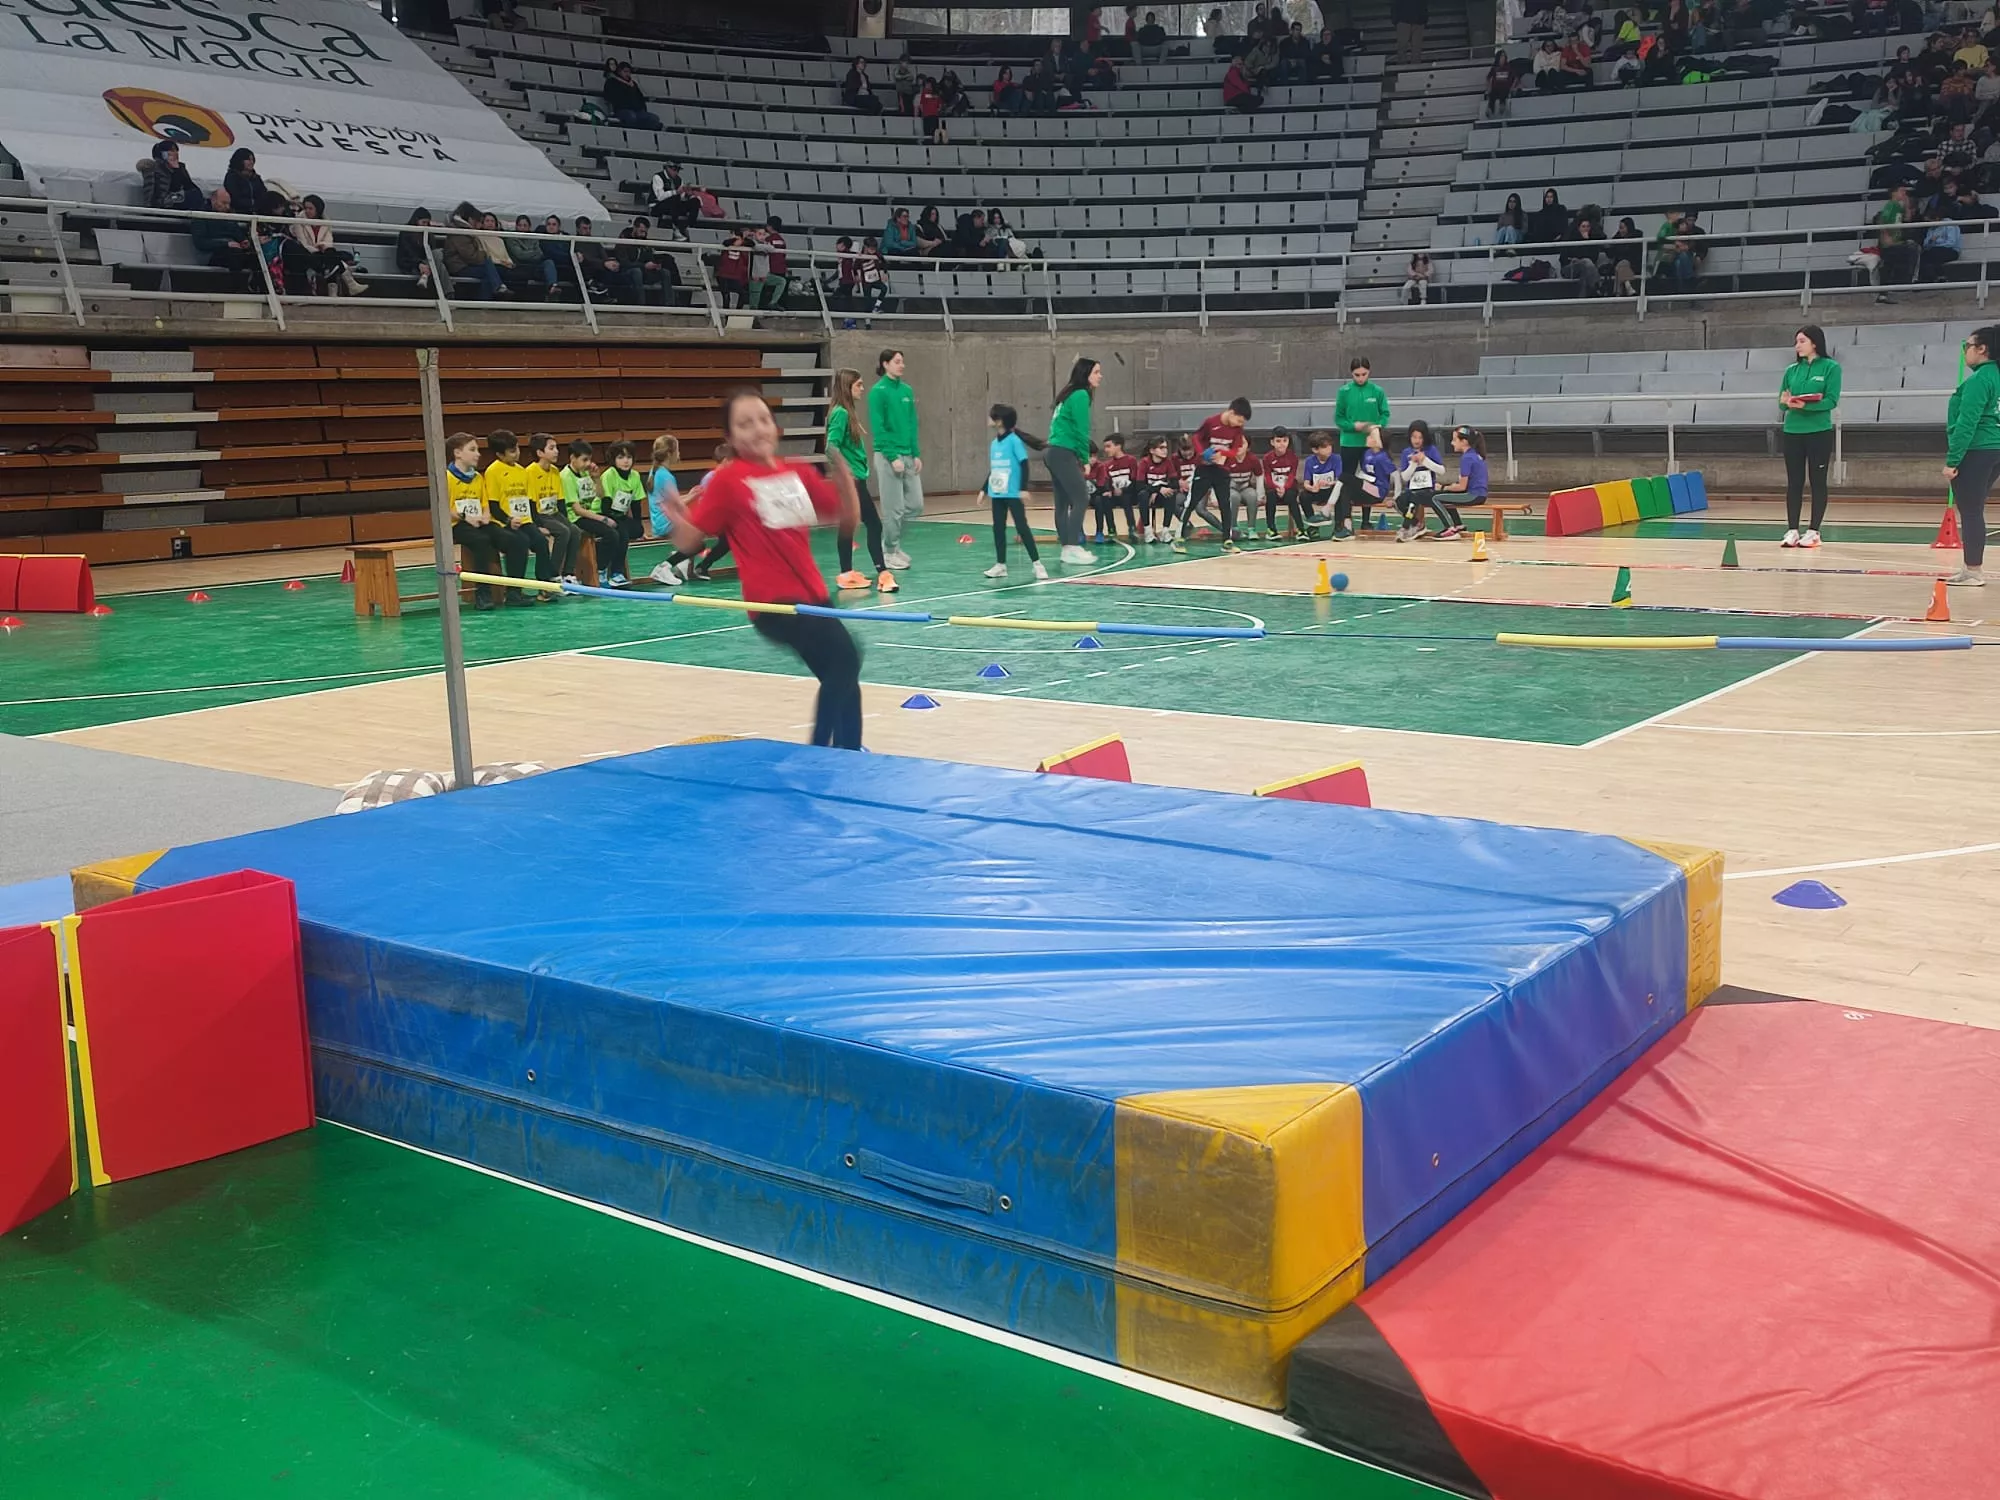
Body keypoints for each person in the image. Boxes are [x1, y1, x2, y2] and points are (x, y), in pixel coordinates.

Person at [664, 390, 864, 749]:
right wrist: (676, 515)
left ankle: (848, 758)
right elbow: (692, 540)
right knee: (845, 661)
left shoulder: (797, 472)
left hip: (814, 598)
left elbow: (845, 518)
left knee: (845, 678)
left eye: (762, 419)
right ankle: (821, 755)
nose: (756, 429)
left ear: (774, 426)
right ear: (730, 439)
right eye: (744, 424)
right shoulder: (728, 482)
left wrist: (847, 480)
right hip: (774, 605)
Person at [826, 367, 892, 593]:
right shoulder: (841, 414)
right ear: (848, 387)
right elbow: (831, 446)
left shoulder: (846, 412)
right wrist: (846, 473)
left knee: (849, 525)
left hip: (854, 478)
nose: (862, 389)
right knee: (873, 524)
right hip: (850, 480)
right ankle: (881, 569)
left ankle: (847, 573)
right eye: (859, 385)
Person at [1944, 323, 2000, 586]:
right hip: (1994, 449)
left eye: (1968, 346)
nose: (1965, 351)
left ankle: (1974, 571)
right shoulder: (1995, 376)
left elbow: (1968, 422)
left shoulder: (1980, 380)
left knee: (1971, 510)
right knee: (1974, 508)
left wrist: (1952, 461)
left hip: (1978, 449)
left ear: (1982, 349)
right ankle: (1971, 568)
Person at [1778, 325, 1842, 549]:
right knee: (1794, 482)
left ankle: (1814, 531)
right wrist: (1787, 402)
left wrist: (1806, 405)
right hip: (1792, 431)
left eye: (1802, 341)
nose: (1797, 346)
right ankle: (1792, 529)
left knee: (1817, 481)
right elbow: (1781, 399)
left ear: (1815, 343)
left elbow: (1831, 400)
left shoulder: (1831, 368)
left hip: (1818, 432)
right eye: (1796, 341)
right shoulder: (1791, 371)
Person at [483, 430, 560, 600]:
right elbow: (493, 504)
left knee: (540, 541)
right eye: (511, 451)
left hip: (524, 521)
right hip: (503, 523)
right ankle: (514, 591)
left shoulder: (522, 471)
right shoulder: (493, 472)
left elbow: (529, 501)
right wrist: (508, 520)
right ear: (499, 454)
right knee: (520, 542)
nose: (516, 453)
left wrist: (538, 524)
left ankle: (544, 586)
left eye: (516, 448)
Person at [1172, 395, 1252, 554]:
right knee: (1192, 502)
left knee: (1225, 504)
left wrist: (1223, 454)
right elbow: (1196, 437)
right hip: (1204, 469)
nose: (1240, 425)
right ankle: (1178, 538)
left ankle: (1227, 541)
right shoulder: (1211, 422)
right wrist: (1203, 453)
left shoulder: (1237, 430)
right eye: (1239, 420)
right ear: (1231, 412)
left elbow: (1235, 449)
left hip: (1222, 470)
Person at [869, 349, 924, 570]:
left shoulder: (907, 390)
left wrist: (916, 453)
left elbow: (912, 424)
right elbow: (878, 427)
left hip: (908, 455)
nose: (902, 365)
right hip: (887, 456)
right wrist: (892, 457)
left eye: (903, 361)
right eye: (897, 362)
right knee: (893, 509)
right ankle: (889, 552)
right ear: (885, 364)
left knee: (915, 505)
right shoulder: (878, 391)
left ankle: (892, 543)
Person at [442, 431, 508, 610]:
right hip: (457, 525)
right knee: (481, 541)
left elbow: (484, 503)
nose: (478, 454)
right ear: (457, 453)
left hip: (478, 522)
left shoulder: (477, 477)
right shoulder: (445, 478)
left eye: (477, 449)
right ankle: (482, 593)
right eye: (472, 449)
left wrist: (486, 516)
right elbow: (443, 509)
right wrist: (465, 517)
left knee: (512, 537)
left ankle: (514, 590)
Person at [1045, 357, 1102, 563]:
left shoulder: (1067, 394)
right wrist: (1085, 458)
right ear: (1085, 374)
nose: (1100, 376)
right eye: (1096, 372)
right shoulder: (1080, 395)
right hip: (1063, 452)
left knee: (1062, 503)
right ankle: (1071, 547)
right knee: (1081, 499)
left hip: (1053, 451)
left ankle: (1066, 549)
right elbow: (1081, 430)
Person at [983, 404, 1048, 579]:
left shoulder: (1014, 441)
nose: (988, 419)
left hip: (1012, 493)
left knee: (1022, 527)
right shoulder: (994, 444)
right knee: (998, 528)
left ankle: (1037, 564)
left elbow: (1024, 464)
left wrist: (1023, 488)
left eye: (991, 416)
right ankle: (1000, 565)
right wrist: (984, 489)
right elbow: (994, 469)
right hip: (997, 493)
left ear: (999, 421)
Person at [1332, 355, 1390, 535]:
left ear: (1369, 372)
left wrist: (1377, 427)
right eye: (1357, 375)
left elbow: (1385, 414)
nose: (1360, 378)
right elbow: (1338, 418)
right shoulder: (1344, 392)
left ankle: (1366, 520)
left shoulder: (1377, 391)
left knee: (1368, 477)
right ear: (1352, 374)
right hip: (1349, 442)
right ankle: (1341, 521)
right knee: (1345, 480)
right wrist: (1352, 426)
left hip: (1369, 443)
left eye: (1364, 374)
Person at [561, 439, 629, 587]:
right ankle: (600, 570)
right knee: (610, 534)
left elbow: (600, 495)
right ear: (573, 458)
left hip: (589, 514)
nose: (588, 463)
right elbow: (577, 509)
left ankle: (616, 572)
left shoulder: (585, 473)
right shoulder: (566, 477)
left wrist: (597, 478)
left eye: (589, 459)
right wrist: (603, 519)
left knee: (621, 531)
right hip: (576, 518)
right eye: (584, 459)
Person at [522, 432, 582, 583]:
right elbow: (530, 503)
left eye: (556, 447)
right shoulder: (530, 472)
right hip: (540, 515)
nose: (556, 451)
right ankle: (553, 574)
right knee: (563, 532)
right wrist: (537, 525)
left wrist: (566, 520)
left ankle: (568, 573)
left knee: (574, 530)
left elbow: (560, 500)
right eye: (551, 448)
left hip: (554, 513)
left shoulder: (555, 471)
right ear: (540, 453)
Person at [290, 194, 365, 297]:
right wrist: (317, 248)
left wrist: (323, 246)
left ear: (318, 209)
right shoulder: (299, 221)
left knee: (330, 255)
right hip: (308, 253)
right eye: (306, 208)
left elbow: (329, 240)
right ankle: (349, 286)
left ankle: (336, 290)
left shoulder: (326, 221)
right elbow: (302, 242)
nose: (307, 211)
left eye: (310, 208)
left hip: (324, 252)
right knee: (332, 261)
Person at [1394, 420, 1448, 542]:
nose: (1417, 440)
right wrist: (1413, 464)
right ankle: (1417, 523)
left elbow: (1441, 470)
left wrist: (1424, 461)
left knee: (1415, 498)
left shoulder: (1431, 450)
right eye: (1414, 437)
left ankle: (1405, 527)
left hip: (1427, 489)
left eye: (1420, 437)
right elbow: (1405, 477)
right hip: (1412, 488)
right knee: (1399, 501)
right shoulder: (1406, 452)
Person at [191, 188, 255, 289]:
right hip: (211, 254)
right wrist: (226, 244)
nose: (227, 207)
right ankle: (238, 289)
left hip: (231, 250)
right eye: (224, 203)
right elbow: (200, 242)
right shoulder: (200, 215)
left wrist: (244, 241)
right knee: (235, 255)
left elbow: (237, 233)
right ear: (213, 199)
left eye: (228, 204)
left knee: (255, 256)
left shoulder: (229, 216)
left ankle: (259, 288)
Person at [441, 201, 503, 300]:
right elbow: (469, 255)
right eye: (478, 221)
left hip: (461, 264)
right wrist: (484, 254)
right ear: (470, 219)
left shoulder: (461, 230)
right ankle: (489, 294)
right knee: (488, 267)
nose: (480, 225)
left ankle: (488, 295)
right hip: (459, 267)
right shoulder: (460, 232)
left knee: (489, 270)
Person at [1434, 426, 1484, 541]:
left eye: (1455, 440)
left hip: (1474, 495)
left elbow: (1462, 487)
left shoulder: (1467, 458)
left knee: (1436, 498)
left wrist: (1441, 487)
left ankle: (1449, 529)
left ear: (1464, 442)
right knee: (1447, 495)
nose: (1452, 443)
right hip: (1479, 494)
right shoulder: (1474, 455)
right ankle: (1458, 524)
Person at [1092, 431, 1140, 543]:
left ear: (1118, 446)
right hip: (1114, 494)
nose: (1106, 449)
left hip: (1129, 493)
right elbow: (1107, 482)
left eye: (1109, 446)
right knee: (1105, 499)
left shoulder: (1131, 460)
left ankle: (1132, 528)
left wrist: (1123, 490)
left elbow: (1134, 480)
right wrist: (1109, 491)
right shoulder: (1107, 465)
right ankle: (1111, 530)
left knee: (1126, 497)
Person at [1262, 426, 1307, 537]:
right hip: (1274, 488)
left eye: (1284, 441)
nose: (1281, 444)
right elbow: (1267, 476)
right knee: (1270, 497)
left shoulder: (1293, 457)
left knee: (1292, 498)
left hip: (1289, 487)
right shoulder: (1267, 458)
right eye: (1278, 441)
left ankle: (1301, 529)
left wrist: (1285, 488)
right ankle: (1271, 529)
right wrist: (1276, 487)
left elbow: (1292, 475)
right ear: (1272, 442)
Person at [140, 140, 203, 212]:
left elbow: (190, 187)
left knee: (195, 195)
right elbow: (150, 195)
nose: (175, 153)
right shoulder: (153, 168)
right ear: (163, 153)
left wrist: (177, 170)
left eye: (176, 150)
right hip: (163, 204)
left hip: (178, 201)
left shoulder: (180, 168)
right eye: (172, 150)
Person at [1136, 434, 1177, 542]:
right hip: (1147, 495)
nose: (1165, 450)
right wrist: (1157, 489)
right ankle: (1148, 531)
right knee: (1143, 494)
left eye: (1166, 448)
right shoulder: (1144, 463)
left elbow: (1174, 483)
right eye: (1161, 448)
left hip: (1159, 496)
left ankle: (1165, 531)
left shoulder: (1168, 463)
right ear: (1152, 451)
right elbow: (1140, 485)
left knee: (1171, 494)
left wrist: (1158, 489)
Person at [506, 213, 558, 294]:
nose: (522, 228)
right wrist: (533, 253)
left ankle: (553, 286)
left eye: (525, 225)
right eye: (520, 225)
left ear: (529, 227)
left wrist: (527, 253)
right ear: (516, 226)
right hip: (520, 267)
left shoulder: (533, 237)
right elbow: (520, 255)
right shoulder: (511, 238)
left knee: (549, 262)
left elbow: (540, 254)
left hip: (535, 266)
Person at [604, 60, 663, 130]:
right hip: (622, 109)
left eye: (629, 72)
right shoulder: (612, 82)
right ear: (619, 72)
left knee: (654, 118)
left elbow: (640, 97)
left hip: (638, 111)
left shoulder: (633, 84)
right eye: (625, 72)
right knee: (631, 117)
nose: (627, 74)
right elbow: (608, 96)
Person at [1302, 430, 1341, 524]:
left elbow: (1340, 480)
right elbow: (1306, 483)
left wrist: (1329, 483)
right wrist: (1312, 488)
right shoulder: (1309, 461)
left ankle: (1339, 525)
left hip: (1331, 491)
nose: (1329, 449)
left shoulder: (1337, 459)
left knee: (1343, 495)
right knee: (1303, 496)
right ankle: (1312, 521)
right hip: (1317, 492)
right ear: (1315, 450)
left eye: (1330, 446)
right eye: (1324, 447)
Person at [395, 207, 435, 296]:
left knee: (438, 256)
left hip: (425, 262)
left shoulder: (429, 235)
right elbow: (407, 253)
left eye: (427, 223)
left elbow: (432, 251)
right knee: (438, 267)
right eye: (423, 222)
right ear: (416, 220)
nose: (425, 226)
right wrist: (419, 263)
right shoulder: (406, 233)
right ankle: (448, 295)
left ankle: (425, 276)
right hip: (409, 263)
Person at [714, 230, 752, 309]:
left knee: (743, 294)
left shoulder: (743, 248)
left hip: (734, 277)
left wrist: (743, 239)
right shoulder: (726, 246)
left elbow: (752, 243)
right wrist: (735, 239)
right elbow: (726, 242)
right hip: (723, 275)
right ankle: (726, 315)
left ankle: (736, 313)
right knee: (726, 296)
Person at [1607, 216, 1643, 296]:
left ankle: (1617, 293)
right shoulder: (1617, 238)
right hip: (1621, 265)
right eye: (1619, 228)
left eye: (1622, 228)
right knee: (1621, 266)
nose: (1620, 230)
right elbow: (1610, 254)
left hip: (1634, 264)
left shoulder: (1637, 236)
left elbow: (1634, 254)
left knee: (1621, 264)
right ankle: (1628, 287)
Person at [222, 148, 265, 217]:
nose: (251, 162)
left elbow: (263, 195)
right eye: (248, 159)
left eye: (252, 160)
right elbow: (234, 198)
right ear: (240, 160)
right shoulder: (232, 177)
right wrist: (252, 202)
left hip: (256, 215)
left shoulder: (256, 178)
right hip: (238, 214)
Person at [1485, 48, 1516, 114]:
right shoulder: (1494, 68)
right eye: (1501, 56)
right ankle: (1490, 109)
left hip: (1505, 87)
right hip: (1495, 88)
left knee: (1503, 92)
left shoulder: (1509, 67)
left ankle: (1502, 106)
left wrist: (1512, 87)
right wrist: (1488, 87)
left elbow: (1515, 78)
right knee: (1492, 95)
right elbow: (1488, 78)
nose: (1503, 58)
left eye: (1504, 56)